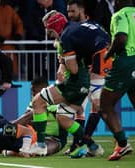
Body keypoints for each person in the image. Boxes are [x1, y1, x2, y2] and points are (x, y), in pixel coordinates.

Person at [30, 10, 111, 156]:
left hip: (76, 82)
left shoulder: (66, 36)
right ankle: (93, 147)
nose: (49, 33)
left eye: (49, 30)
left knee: (38, 102)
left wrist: (65, 62)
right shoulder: (74, 28)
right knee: (63, 118)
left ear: (56, 27)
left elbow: (73, 69)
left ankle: (40, 145)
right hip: (88, 77)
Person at [56, 0, 111, 157]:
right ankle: (78, 143)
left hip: (98, 62)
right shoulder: (75, 28)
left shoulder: (88, 25)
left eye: (72, 11)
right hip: (87, 68)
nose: (70, 15)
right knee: (81, 107)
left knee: (97, 103)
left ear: (82, 10)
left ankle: (89, 142)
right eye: (68, 12)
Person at [100, 0, 134, 161]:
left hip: (126, 63)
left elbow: (121, 38)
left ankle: (122, 143)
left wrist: (109, 53)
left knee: (105, 106)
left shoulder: (120, 15)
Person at [13, 77, 68, 156]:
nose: (32, 93)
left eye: (34, 90)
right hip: (34, 136)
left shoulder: (56, 102)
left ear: (44, 88)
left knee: (44, 147)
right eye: (31, 90)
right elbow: (25, 119)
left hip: (54, 139)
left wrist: (12, 125)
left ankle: (38, 150)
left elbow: (28, 116)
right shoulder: (34, 102)